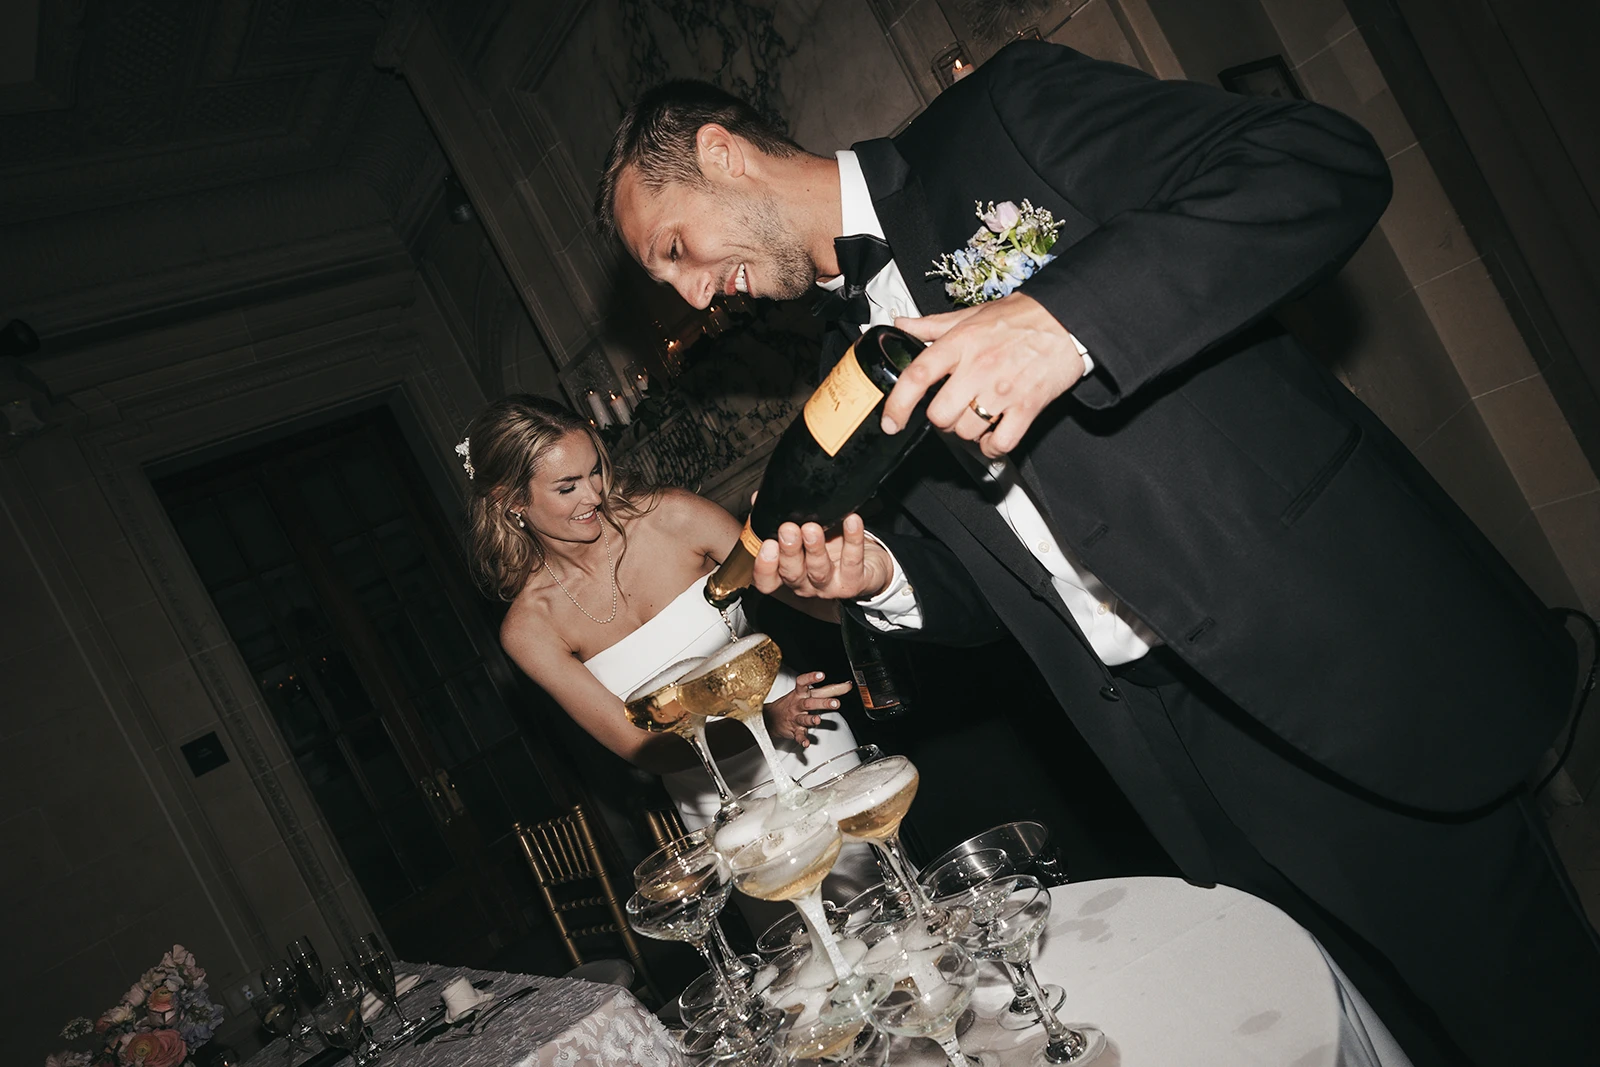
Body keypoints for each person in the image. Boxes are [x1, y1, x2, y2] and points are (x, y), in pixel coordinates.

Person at [596, 41, 1600, 1066]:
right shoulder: (837, 367)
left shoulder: (1000, 121)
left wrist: (1059, 321)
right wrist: (883, 580)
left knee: (1526, 1012)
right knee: (1337, 1025)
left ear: (721, 153)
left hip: (1326, 659)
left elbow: (1316, 159)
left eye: (672, 248)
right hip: (1167, 756)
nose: (686, 295)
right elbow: (996, 584)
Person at [457, 394, 876, 909]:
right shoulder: (530, 629)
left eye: (595, 471)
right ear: (511, 501)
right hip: (712, 793)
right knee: (792, 953)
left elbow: (801, 594)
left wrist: (861, 591)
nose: (594, 494)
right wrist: (763, 721)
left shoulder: (673, 517)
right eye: (567, 487)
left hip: (806, 738)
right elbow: (640, 746)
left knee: (871, 909)